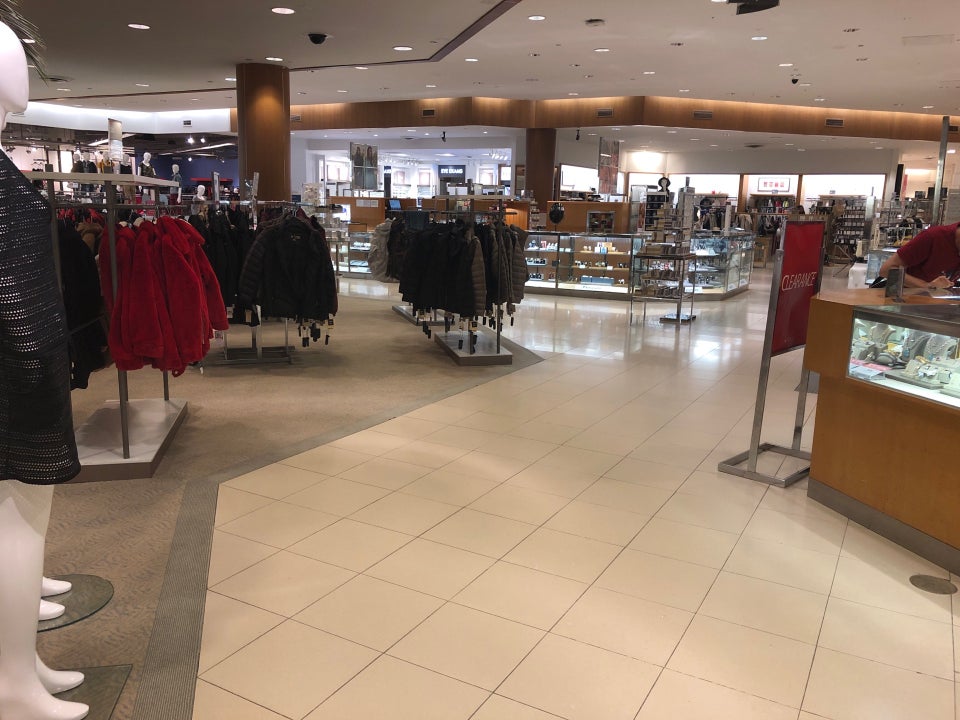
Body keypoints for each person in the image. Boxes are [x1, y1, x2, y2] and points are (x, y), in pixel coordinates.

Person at [0, 17, 89, 720]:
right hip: (18, 379)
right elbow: (15, 294)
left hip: (21, 369)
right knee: (17, 523)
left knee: (18, 520)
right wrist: (40, 368)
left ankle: (21, 666)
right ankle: (13, 684)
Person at [879, 221, 960, 289]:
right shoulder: (933, 237)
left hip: (935, 301)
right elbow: (886, 270)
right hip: (905, 298)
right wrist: (927, 286)